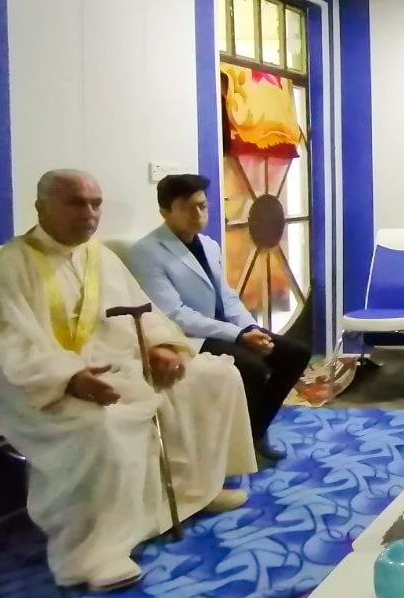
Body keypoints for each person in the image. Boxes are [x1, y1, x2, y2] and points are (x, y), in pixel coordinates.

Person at [0, 170, 256, 591]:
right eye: (76, 203)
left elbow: (144, 312)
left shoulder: (99, 257)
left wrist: (160, 347)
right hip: (43, 388)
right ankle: (94, 552)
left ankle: (196, 491)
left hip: (122, 366)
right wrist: (70, 378)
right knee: (101, 423)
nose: (89, 213)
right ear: (41, 207)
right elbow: (8, 344)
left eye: (95, 203)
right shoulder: (9, 266)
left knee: (214, 376)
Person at [131, 174, 308, 461]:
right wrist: (238, 335)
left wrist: (250, 327)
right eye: (187, 208)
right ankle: (233, 445)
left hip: (225, 329)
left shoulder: (208, 245)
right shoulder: (147, 252)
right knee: (252, 368)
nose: (197, 214)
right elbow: (175, 314)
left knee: (295, 353)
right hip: (190, 337)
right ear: (165, 211)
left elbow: (227, 297)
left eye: (202, 206)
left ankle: (254, 430)